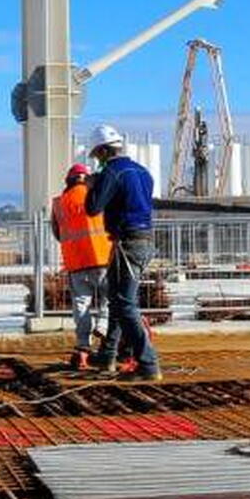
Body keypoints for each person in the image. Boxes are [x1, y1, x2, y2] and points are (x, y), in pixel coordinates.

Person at [83, 124, 161, 381]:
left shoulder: (111, 172)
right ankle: (108, 356)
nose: (97, 160)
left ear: (104, 151)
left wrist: (92, 185)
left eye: (97, 154)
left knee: (125, 304)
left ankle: (148, 363)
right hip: (142, 239)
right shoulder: (143, 172)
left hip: (128, 242)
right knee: (117, 299)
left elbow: (93, 208)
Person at [49, 163, 111, 370]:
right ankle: (103, 326)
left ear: (68, 180)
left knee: (81, 305)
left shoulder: (59, 203)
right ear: (87, 179)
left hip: (75, 262)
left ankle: (83, 345)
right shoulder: (97, 196)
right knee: (109, 298)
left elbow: (57, 233)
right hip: (101, 257)